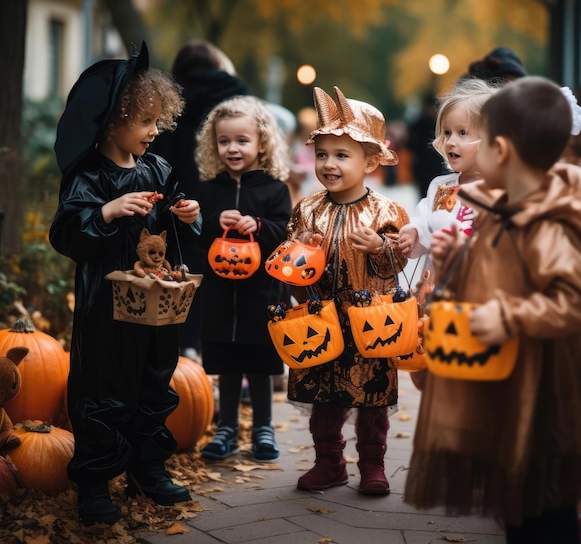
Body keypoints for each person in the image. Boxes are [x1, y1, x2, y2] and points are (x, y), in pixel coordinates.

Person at [404, 76, 581, 543]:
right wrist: (453, 257)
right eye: (448, 134)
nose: (455, 147)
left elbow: (575, 293)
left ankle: (570, 519)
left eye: (474, 139)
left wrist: (508, 315)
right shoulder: (489, 203)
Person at [49, 44, 202, 526]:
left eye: (159, 121)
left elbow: (171, 221)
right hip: (106, 311)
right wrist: (106, 212)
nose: (155, 132)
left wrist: (187, 215)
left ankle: (146, 467)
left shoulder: (156, 168)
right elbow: (66, 234)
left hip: (155, 306)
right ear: (113, 121)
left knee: (153, 382)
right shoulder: (87, 176)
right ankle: (94, 482)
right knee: (103, 389)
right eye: (145, 122)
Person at [286, 85, 409, 496]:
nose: (329, 163)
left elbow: (398, 263)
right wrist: (298, 247)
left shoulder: (386, 210)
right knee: (324, 396)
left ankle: (373, 464)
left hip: (370, 320)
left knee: (372, 399)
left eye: (342, 155)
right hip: (321, 319)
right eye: (322, 154)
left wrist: (382, 248)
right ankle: (329, 462)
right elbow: (290, 267)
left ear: (371, 161)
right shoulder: (307, 208)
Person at [193, 95, 292, 462]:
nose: (232, 148)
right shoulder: (208, 190)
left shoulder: (274, 189)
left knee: (260, 363)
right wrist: (208, 222)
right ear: (214, 144)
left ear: (261, 143)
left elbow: (286, 232)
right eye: (224, 141)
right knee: (229, 365)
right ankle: (227, 430)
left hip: (260, 294)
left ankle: (263, 429)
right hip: (220, 295)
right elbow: (196, 238)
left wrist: (261, 225)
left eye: (242, 140)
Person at [150, 40, 249, 362]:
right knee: (227, 268)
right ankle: (220, 359)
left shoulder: (165, 98)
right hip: (225, 191)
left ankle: (184, 347)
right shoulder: (236, 96)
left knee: (181, 268)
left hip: (175, 191)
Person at [399, 78, 500, 261]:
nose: (451, 142)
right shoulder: (441, 188)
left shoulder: (499, 191)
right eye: (447, 133)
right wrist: (415, 232)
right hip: (440, 282)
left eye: (462, 133)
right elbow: (425, 222)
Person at [407, 93, 445, 198]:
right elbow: (411, 146)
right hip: (423, 166)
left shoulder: (438, 125)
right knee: (424, 193)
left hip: (436, 165)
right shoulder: (418, 126)